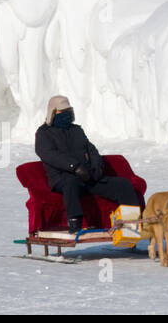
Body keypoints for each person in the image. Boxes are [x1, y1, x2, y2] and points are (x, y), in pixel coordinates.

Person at [34, 95, 140, 234]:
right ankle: (75, 224)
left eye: (68, 111)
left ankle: (130, 228)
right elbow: (49, 154)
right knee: (70, 182)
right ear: (53, 113)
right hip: (62, 178)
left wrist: (96, 168)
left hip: (87, 176)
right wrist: (75, 167)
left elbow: (91, 149)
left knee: (123, 185)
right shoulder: (44, 134)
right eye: (62, 112)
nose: (66, 115)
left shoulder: (76, 130)